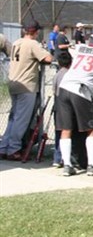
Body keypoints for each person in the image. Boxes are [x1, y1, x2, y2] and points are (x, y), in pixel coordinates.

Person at [56, 28, 93, 176]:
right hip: (81, 90)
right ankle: (91, 165)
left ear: (90, 41)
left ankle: (67, 166)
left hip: (64, 87)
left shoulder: (80, 48)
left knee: (66, 129)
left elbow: (74, 49)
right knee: (91, 129)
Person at [0, 21, 53, 161]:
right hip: (26, 85)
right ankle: (13, 149)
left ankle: (4, 147)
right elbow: (48, 58)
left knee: (13, 118)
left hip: (14, 82)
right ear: (35, 32)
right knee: (21, 120)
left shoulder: (17, 41)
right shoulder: (32, 44)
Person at [52, 51, 72, 167]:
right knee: (67, 132)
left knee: (58, 132)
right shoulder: (70, 74)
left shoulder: (57, 74)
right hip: (67, 106)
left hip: (58, 106)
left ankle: (57, 158)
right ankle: (66, 158)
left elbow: (54, 91)